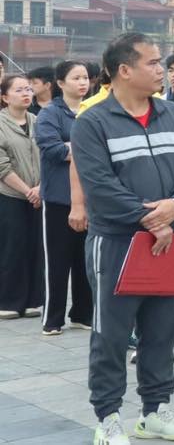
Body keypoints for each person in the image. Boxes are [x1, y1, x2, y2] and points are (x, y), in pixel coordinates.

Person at [71, 33, 174, 443]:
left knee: (163, 329)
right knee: (111, 335)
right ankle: (108, 417)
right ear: (124, 70)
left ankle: (156, 410)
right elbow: (99, 185)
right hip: (117, 243)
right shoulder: (92, 122)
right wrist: (150, 218)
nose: (162, 70)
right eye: (153, 62)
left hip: (171, 241)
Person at [34, 60, 92, 335]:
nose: (83, 83)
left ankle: (82, 314)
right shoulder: (50, 114)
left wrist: (73, 148)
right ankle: (53, 318)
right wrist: (85, 150)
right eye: (76, 78)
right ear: (60, 83)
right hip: (58, 198)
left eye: (85, 78)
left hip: (90, 198)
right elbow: (52, 149)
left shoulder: (92, 110)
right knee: (57, 261)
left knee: (86, 260)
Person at [0, 74, 44, 319]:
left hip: (39, 194)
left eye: (28, 89)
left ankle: (33, 300)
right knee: (12, 248)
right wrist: (27, 191)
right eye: (19, 90)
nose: (26, 93)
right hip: (9, 195)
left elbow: (49, 156)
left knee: (36, 247)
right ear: (5, 97)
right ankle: (8, 300)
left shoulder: (38, 121)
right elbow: (2, 166)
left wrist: (40, 188)